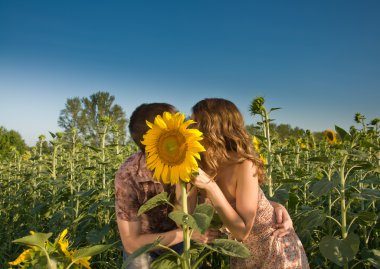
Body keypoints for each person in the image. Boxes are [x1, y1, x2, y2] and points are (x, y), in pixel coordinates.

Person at [115, 102, 295, 268]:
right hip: (146, 248)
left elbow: (232, 194)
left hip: (194, 243)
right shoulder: (129, 176)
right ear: (152, 141)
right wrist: (188, 234)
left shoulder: (196, 159)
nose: (187, 128)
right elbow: (131, 243)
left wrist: (271, 207)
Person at [190, 98, 309, 269]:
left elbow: (242, 231)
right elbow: (186, 214)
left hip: (273, 248)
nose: (189, 129)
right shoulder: (200, 164)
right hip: (243, 255)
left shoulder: (243, 164)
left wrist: (210, 186)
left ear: (212, 128)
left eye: (195, 124)